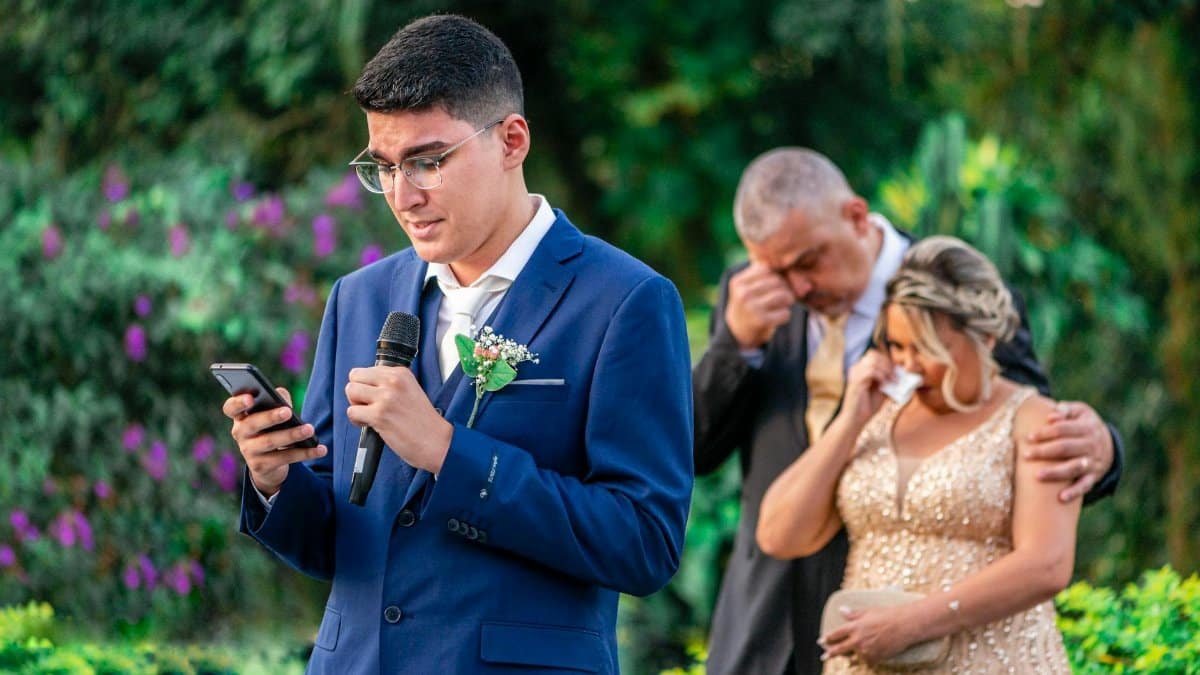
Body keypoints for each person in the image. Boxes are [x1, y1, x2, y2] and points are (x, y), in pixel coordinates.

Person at [221, 15, 693, 674]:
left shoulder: (625, 302)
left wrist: (449, 452)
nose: (402, 195)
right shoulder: (359, 297)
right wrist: (275, 479)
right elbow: (337, 540)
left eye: (428, 161)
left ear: (512, 140)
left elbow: (644, 542)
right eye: (382, 167)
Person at [692, 147, 1124, 674]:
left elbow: (1025, 434)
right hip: (765, 622)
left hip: (937, 637)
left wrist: (1103, 451)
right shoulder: (750, 303)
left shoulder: (969, 300)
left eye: (808, 261)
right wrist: (733, 347)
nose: (799, 288)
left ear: (855, 216)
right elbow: (690, 449)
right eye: (778, 271)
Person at [757, 236, 1078, 672]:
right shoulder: (874, 415)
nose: (908, 364)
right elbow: (779, 535)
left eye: (926, 348)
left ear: (984, 337)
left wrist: (914, 623)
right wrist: (849, 421)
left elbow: (1047, 565)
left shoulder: (1036, 421)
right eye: (896, 345)